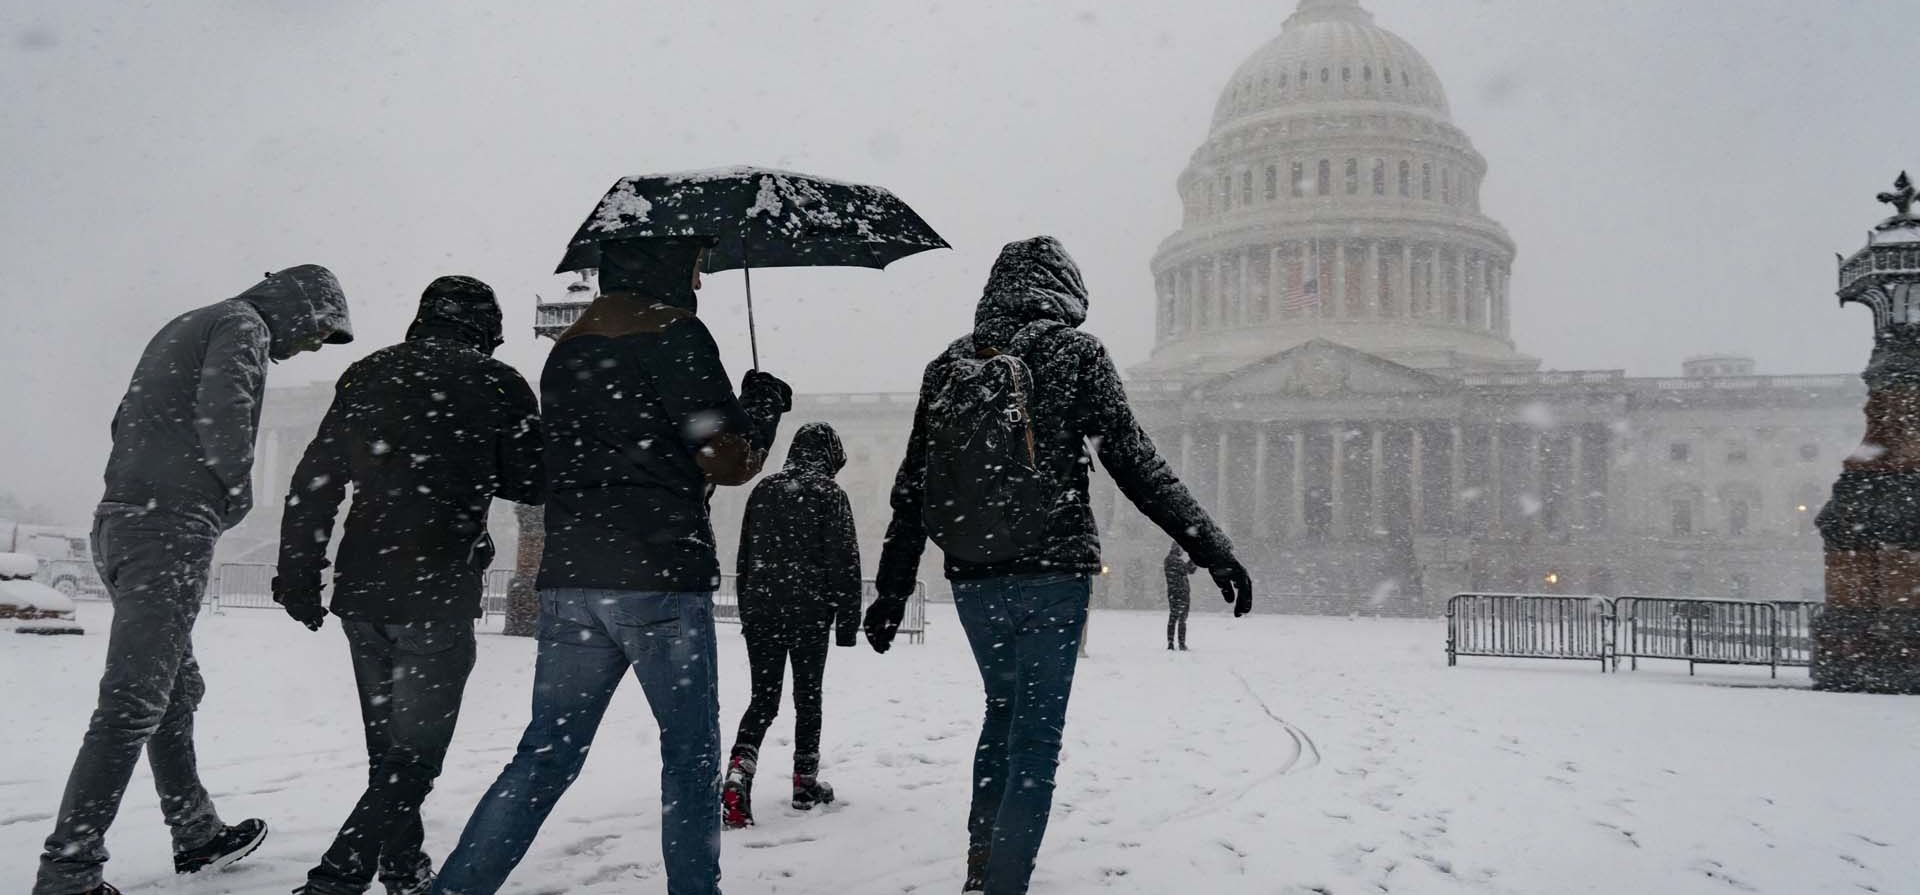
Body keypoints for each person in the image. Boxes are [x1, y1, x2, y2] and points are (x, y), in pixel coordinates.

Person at [863, 237, 1253, 895]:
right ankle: (1003, 885)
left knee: (1001, 715)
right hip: (1053, 567)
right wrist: (1211, 548)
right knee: (1035, 742)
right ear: (1064, 291)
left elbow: (913, 487)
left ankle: (981, 868)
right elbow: (1133, 463)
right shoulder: (1076, 353)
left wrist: (892, 589)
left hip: (973, 571)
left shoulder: (949, 364)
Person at [431, 237, 790, 895]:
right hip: (658, 575)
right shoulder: (680, 335)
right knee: (690, 758)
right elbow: (727, 459)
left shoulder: (568, 351)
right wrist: (763, 406)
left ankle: (455, 888)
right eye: (694, 267)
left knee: (544, 754)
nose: (701, 282)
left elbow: (594, 453)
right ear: (668, 269)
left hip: (574, 576)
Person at [35, 266, 354, 895]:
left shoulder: (190, 322)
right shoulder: (243, 325)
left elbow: (122, 419)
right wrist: (233, 492)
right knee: (132, 704)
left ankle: (196, 832)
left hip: (124, 519)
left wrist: (142, 490)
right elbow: (226, 408)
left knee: (173, 693)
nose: (313, 346)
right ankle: (68, 872)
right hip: (168, 527)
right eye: (319, 331)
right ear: (299, 306)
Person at [272, 276, 544, 895]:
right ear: (486, 328)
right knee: (414, 759)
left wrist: (298, 576)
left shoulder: (368, 374)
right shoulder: (498, 383)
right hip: (437, 588)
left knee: (388, 752)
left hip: (362, 589)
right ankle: (335, 880)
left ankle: (401, 868)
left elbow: (316, 478)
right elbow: (533, 481)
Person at [721, 421, 862, 829]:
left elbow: (745, 555)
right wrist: (847, 621)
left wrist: (749, 608)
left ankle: (737, 776)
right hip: (809, 613)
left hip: (763, 610)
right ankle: (805, 782)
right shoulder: (831, 495)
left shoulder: (764, 490)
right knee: (808, 698)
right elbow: (844, 562)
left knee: (762, 700)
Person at [1165, 543, 1197, 651]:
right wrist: (1195, 558)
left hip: (1176, 593)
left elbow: (1189, 570)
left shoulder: (1171, 560)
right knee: (1179, 619)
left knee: (1175, 619)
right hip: (1179, 593)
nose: (1182, 551)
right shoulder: (1173, 560)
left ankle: (1173, 643)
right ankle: (1179, 643)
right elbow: (1188, 569)